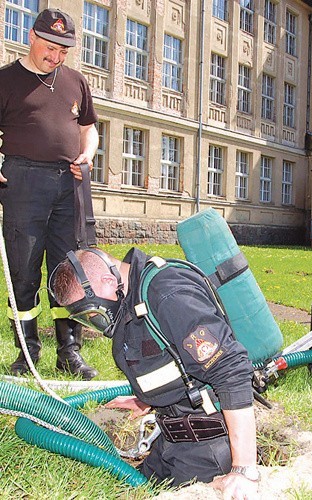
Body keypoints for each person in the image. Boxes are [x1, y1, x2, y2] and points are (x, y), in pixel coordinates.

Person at [50, 247, 260, 497]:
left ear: (108, 280)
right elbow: (171, 358)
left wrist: (244, 469)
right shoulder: (132, 296)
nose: (96, 322)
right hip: (171, 440)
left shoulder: (168, 293)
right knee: (124, 489)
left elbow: (231, 368)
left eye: (92, 313)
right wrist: (147, 399)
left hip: (208, 447)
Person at [0, 9, 99, 379]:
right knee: (24, 274)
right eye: (50, 47)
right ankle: (27, 354)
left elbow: (89, 128)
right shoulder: (6, 80)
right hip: (22, 183)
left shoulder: (76, 81)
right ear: (31, 36)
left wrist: (87, 154)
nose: (56, 56)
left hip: (67, 186)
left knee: (67, 272)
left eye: (63, 50)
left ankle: (69, 353)